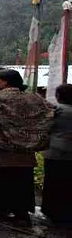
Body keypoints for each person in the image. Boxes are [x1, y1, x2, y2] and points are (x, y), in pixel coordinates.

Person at [0, 69, 55, 224]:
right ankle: (22, 213)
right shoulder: (33, 97)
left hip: (1, 145)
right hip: (26, 148)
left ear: (6, 82)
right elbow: (51, 111)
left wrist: (5, 123)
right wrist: (31, 129)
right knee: (22, 179)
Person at [42, 84, 72, 223]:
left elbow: (45, 127)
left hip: (55, 151)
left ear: (58, 96)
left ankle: (51, 211)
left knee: (53, 181)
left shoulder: (56, 111)